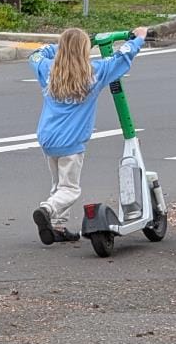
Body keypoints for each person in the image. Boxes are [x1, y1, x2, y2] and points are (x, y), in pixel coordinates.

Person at [28, 25, 148, 245]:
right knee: (70, 189)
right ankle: (47, 209)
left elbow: (34, 55)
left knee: (58, 184)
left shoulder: (48, 70)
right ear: (84, 51)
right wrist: (139, 38)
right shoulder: (95, 72)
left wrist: (60, 48)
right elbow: (122, 56)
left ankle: (57, 226)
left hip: (47, 138)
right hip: (72, 142)